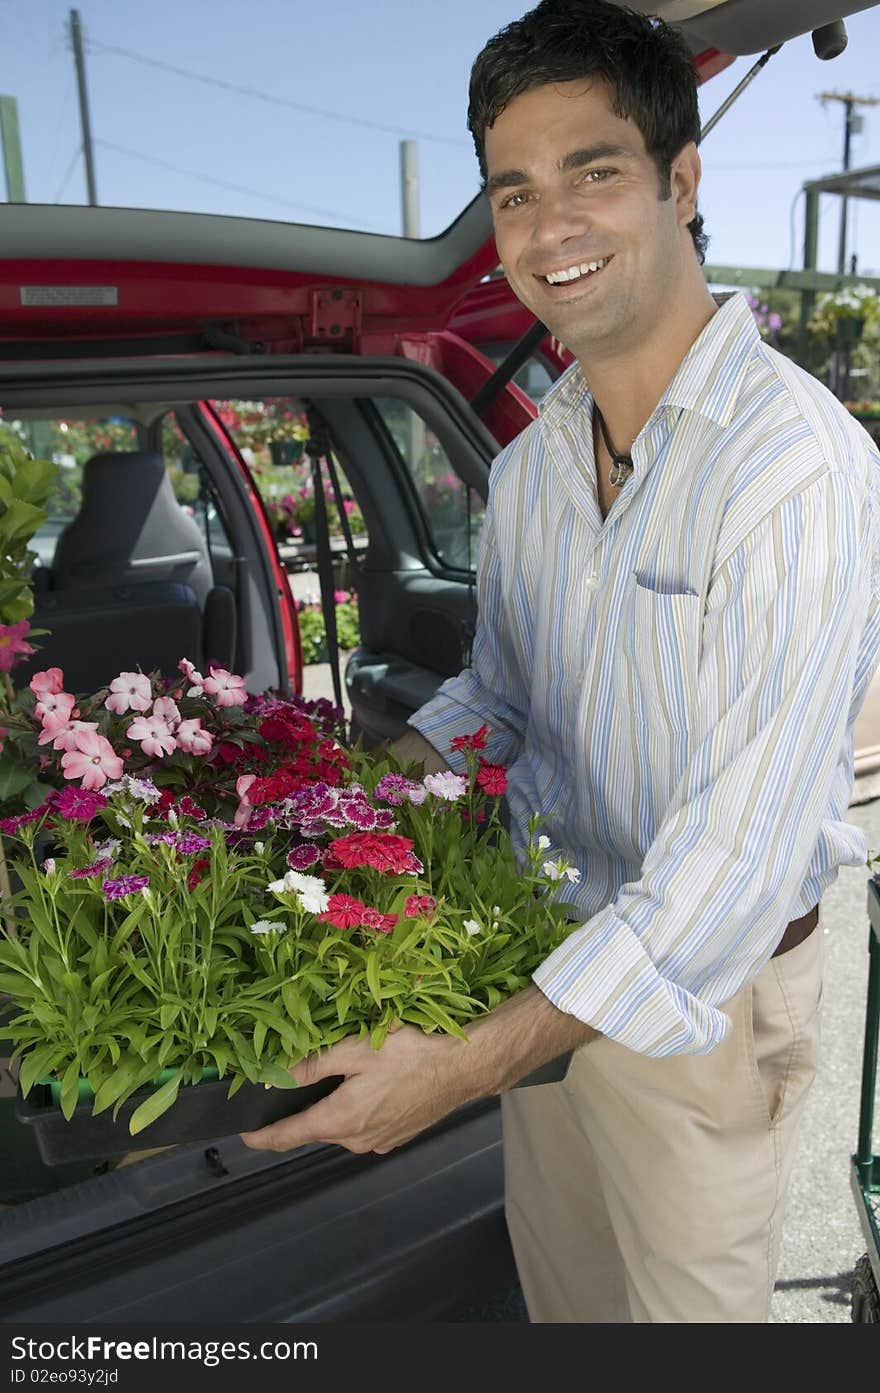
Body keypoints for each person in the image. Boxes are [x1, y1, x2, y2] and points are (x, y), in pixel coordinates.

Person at [241, 0, 880, 1322]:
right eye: (514, 193)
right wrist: (338, 803)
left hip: (697, 1010)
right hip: (543, 958)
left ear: (681, 180)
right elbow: (502, 698)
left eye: (593, 173)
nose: (548, 232)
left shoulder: (797, 467)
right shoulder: (532, 466)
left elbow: (739, 860)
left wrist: (470, 1060)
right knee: (569, 1303)